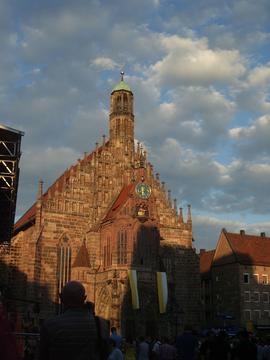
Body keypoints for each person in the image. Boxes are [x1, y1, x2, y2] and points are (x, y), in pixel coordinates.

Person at [39, 281, 99, 360]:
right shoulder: (100, 325)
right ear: (84, 298)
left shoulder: (49, 325)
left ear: (61, 298)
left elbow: (42, 355)